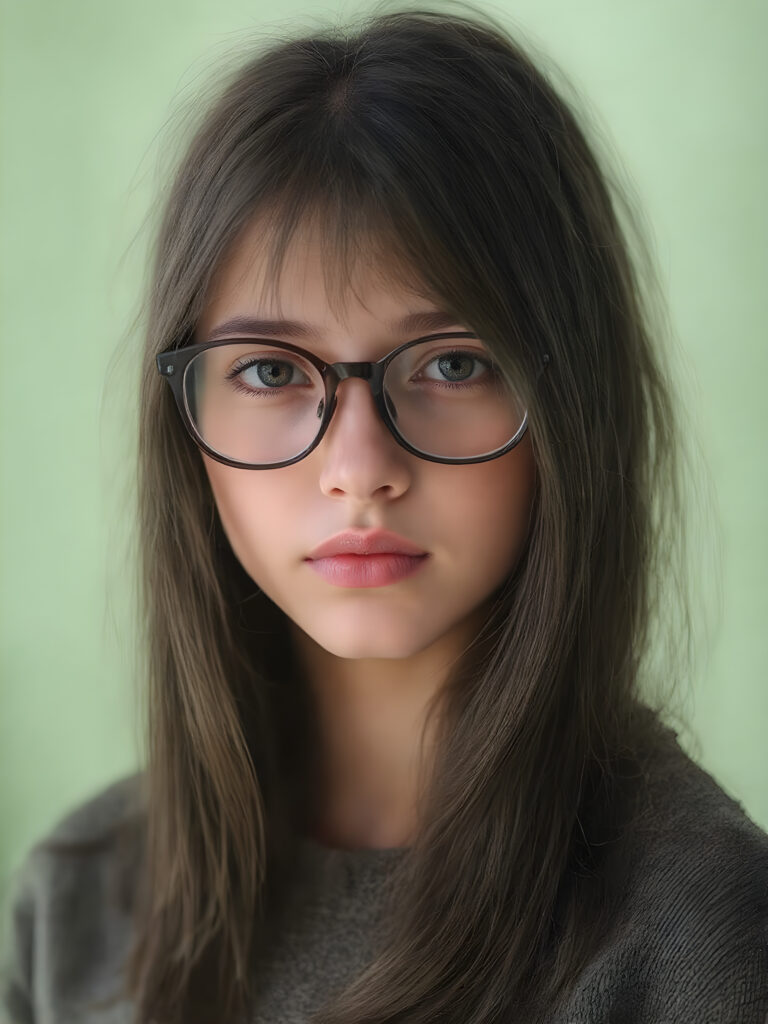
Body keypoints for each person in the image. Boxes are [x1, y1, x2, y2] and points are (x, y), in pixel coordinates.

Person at [2, 4, 767, 1023]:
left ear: (570, 404)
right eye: (271, 371)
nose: (359, 470)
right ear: (183, 421)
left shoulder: (695, 935)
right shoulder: (77, 910)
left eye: (452, 364)